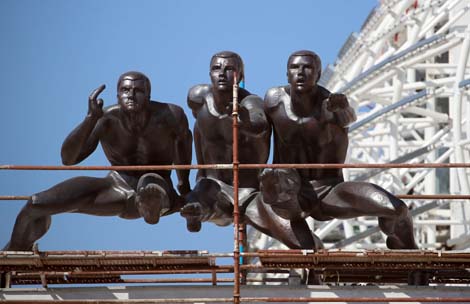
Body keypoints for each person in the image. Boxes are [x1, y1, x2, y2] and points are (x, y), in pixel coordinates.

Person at [3, 71, 192, 251]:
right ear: (117, 95)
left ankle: (152, 205)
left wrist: (185, 190)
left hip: (158, 187)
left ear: (148, 95)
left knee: (149, 184)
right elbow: (68, 159)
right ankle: (11, 256)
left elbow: (184, 146)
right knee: (35, 204)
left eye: (138, 91)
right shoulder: (107, 119)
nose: (131, 95)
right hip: (117, 186)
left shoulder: (170, 115)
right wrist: (90, 119)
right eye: (125, 90)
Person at [261, 50, 418, 250]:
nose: (300, 72)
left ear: (318, 75)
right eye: (294, 67)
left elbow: (348, 118)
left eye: (307, 67)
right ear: (286, 74)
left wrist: (343, 107)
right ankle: (312, 262)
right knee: (305, 244)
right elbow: (256, 134)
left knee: (397, 209)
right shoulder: (274, 101)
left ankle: (410, 257)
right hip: (291, 192)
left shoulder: (330, 106)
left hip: (329, 190)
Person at [180, 51, 322, 250]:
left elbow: (259, 124)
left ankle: (316, 254)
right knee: (200, 197)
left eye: (229, 69)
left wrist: (243, 119)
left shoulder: (251, 103)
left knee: (297, 239)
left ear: (240, 75)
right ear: (209, 73)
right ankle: (196, 211)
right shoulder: (198, 98)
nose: (222, 73)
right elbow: (195, 133)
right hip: (212, 185)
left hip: (249, 193)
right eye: (216, 68)